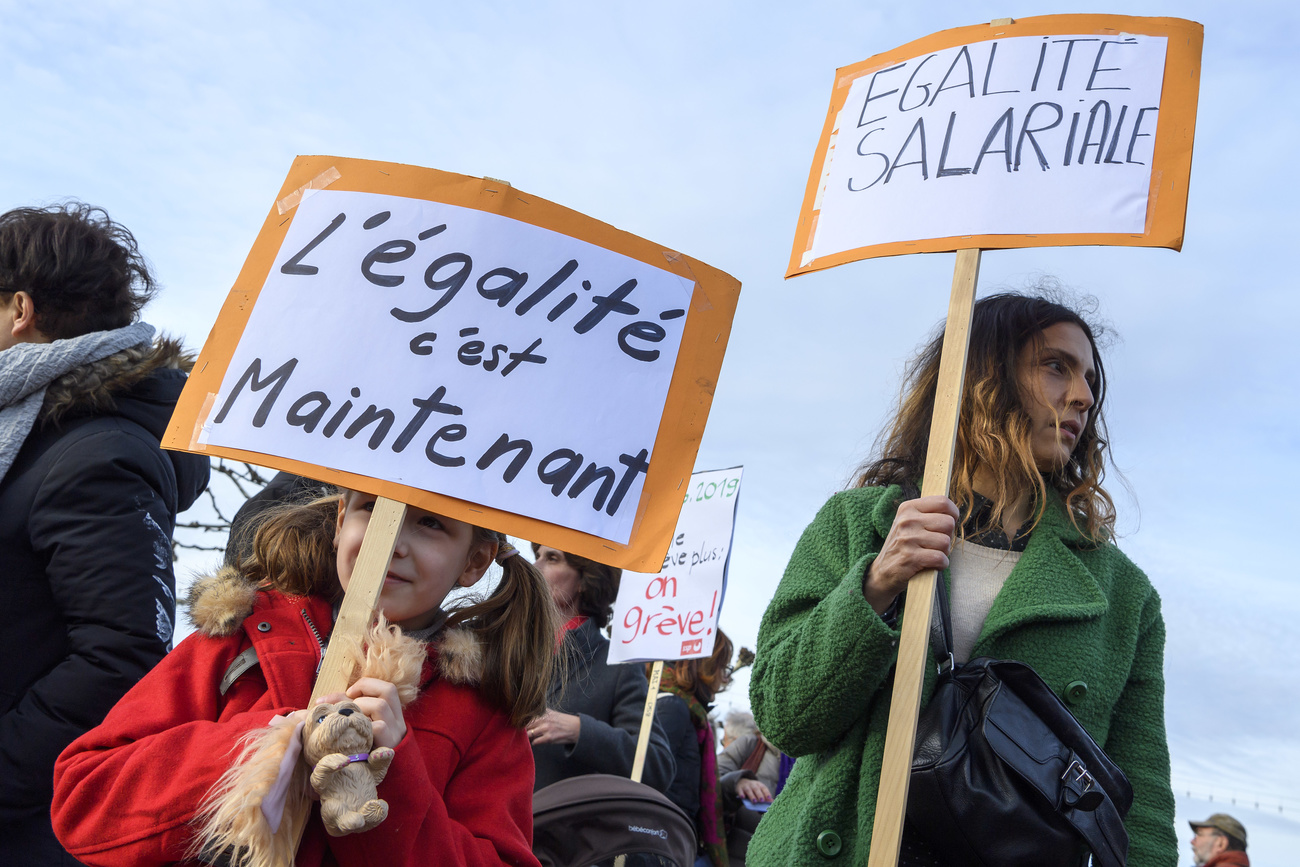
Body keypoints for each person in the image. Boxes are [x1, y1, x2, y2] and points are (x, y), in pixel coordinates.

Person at [748, 292, 1177, 865]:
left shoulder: (1125, 596)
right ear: (981, 379)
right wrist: (876, 585)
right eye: (1055, 366)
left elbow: (1141, 802)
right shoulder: (857, 525)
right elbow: (784, 718)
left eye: (1090, 380)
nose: (1083, 396)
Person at [51, 489, 559, 866]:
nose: (392, 543)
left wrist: (385, 783)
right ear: (341, 521)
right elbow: (84, 800)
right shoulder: (241, 638)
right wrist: (272, 744)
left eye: (429, 524)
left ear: (474, 562)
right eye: (371, 509)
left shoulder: (482, 712)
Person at [0, 203, 210, 863]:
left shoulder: (96, 451)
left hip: (26, 828)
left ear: (19, 310)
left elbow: (121, 655)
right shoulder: (29, 435)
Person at [527, 544, 675, 792]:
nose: (535, 566)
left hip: (553, 823)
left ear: (585, 580)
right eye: (537, 556)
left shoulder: (616, 664)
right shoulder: (510, 645)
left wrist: (579, 731)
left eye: (552, 558)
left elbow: (656, 766)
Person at [649, 630, 734, 867]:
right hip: (661, 842)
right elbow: (649, 777)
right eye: (722, 667)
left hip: (669, 840)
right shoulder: (673, 707)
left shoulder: (689, 712)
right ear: (704, 666)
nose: (725, 679)